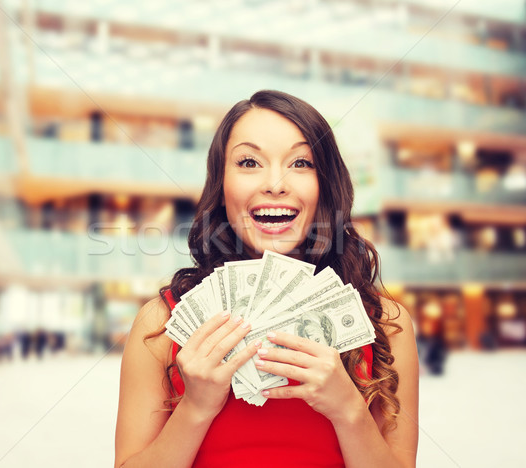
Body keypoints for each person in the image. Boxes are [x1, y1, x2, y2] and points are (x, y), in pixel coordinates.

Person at [115, 90, 419, 468]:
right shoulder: (161, 324)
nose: (275, 183)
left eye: (301, 162)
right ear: (221, 184)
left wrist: (348, 410)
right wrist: (195, 408)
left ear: (326, 184)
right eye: (249, 161)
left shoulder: (386, 325)